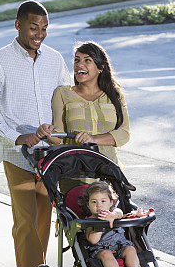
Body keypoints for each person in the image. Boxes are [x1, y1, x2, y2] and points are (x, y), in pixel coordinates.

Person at [0, 0, 72, 267]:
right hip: (17, 156)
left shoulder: (55, 59)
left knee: (43, 224)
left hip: (50, 157)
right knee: (26, 225)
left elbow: (66, 100)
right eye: (33, 27)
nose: (39, 34)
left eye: (44, 28)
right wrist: (17, 136)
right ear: (18, 25)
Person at [50, 41, 130, 194]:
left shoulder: (115, 94)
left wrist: (93, 139)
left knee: (109, 217)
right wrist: (48, 133)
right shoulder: (62, 94)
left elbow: (124, 133)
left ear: (100, 68)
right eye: (76, 60)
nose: (80, 65)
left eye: (87, 60)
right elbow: (58, 138)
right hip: (75, 176)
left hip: (108, 175)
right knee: (74, 217)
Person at [81, 182, 146, 267]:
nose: (99, 205)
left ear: (111, 202)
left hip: (120, 246)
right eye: (94, 202)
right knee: (106, 254)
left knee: (130, 249)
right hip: (101, 249)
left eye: (103, 201)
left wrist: (113, 215)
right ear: (88, 205)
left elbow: (119, 213)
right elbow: (93, 240)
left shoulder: (113, 211)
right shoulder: (90, 221)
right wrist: (99, 226)